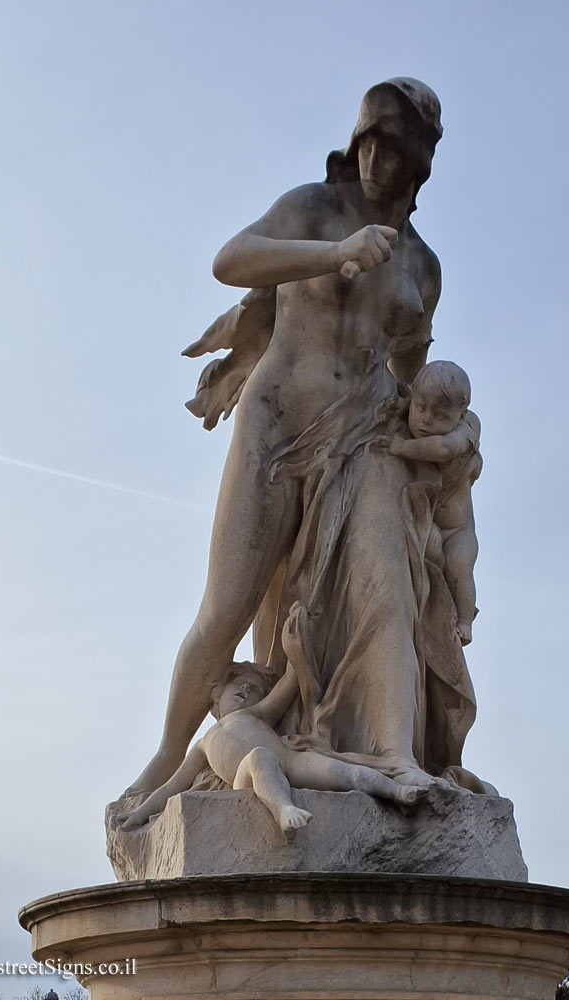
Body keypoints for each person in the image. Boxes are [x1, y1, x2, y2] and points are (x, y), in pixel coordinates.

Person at [126, 78, 478, 799]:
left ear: (418, 163)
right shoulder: (316, 210)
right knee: (226, 607)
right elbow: (231, 260)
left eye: (394, 148)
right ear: (356, 144)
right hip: (279, 422)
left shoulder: (424, 267)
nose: (378, 158)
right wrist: (333, 253)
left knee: (369, 599)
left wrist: (458, 438)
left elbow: (409, 378)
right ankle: (166, 759)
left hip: (362, 438)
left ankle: (368, 749)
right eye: (369, 142)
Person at [118, 657, 428, 836]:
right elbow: (173, 786)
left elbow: (287, 686)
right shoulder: (202, 744)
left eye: (253, 689)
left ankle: (397, 792)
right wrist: (142, 813)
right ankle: (283, 809)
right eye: (237, 685)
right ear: (216, 697)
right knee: (259, 757)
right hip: (245, 779)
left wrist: (294, 648)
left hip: (291, 760)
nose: (245, 690)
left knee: (345, 771)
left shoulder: (256, 714)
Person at [383, 361, 482, 645]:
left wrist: (401, 448)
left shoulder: (467, 429)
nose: (426, 421)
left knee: (460, 568)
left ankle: (465, 621)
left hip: (458, 529)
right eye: (420, 408)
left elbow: (444, 449)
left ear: (460, 415)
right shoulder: (417, 412)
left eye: (439, 415)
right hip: (431, 526)